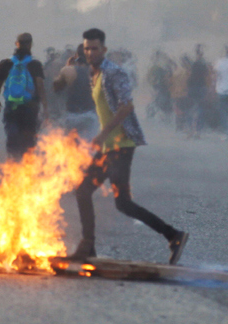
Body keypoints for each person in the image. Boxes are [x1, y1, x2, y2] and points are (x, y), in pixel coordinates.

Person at [70, 28, 188, 264]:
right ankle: (88, 246)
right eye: (87, 48)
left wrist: (103, 134)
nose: (90, 52)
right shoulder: (94, 73)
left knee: (122, 202)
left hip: (120, 145)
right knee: (83, 191)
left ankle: (174, 235)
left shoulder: (115, 73)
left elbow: (127, 106)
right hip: (108, 147)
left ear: (104, 49)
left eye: (94, 48)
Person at [0, 32, 46, 159]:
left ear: (16, 44)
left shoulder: (6, 63)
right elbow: (40, 86)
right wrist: (45, 107)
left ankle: (13, 167)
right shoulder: (35, 64)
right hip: (31, 109)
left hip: (12, 109)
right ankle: (26, 171)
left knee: (13, 141)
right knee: (29, 143)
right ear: (31, 45)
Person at [52, 47, 99, 140]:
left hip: (71, 116)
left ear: (77, 56)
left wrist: (68, 66)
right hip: (90, 116)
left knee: (70, 147)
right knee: (89, 148)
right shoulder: (97, 71)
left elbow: (56, 89)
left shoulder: (68, 70)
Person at [187, 45, 209, 136]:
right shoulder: (203, 64)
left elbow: (189, 76)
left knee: (192, 108)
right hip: (200, 87)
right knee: (200, 109)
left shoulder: (193, 64)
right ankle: (197, 130)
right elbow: (207, 75)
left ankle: (191, 128)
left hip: (193, 87)